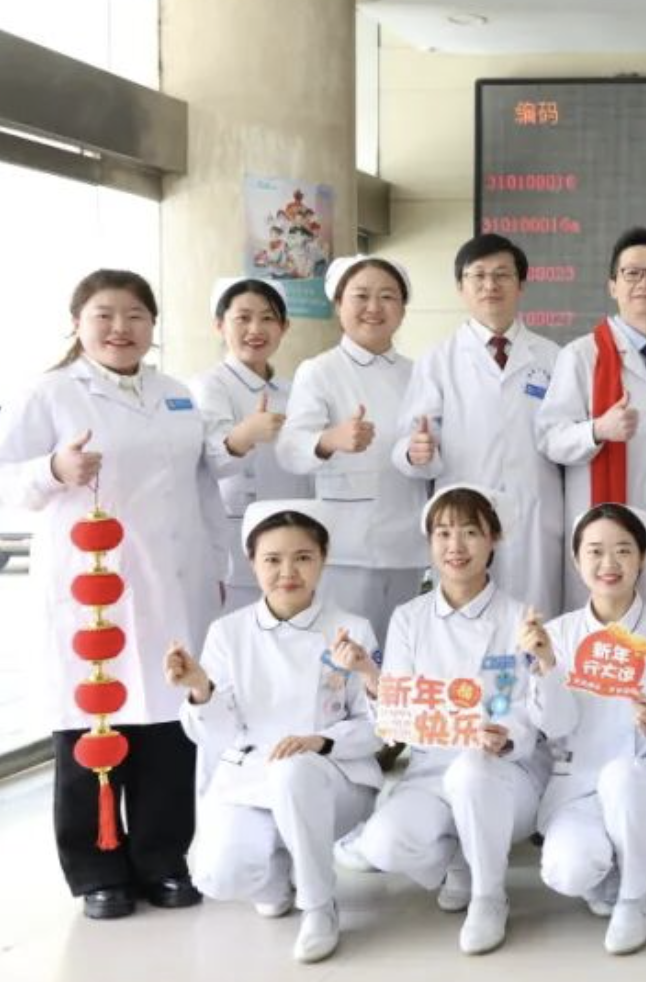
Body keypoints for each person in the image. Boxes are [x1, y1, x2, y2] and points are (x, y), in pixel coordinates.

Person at [0, 269, 223, 919]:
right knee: (91, 722)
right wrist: (53, 469)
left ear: (153, 326)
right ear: (77, 324)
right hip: (92, 595)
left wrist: (218, 563)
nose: (120, 328)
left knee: (169, 726)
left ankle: (164, 859)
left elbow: (202, 487)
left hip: (174, 586)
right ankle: (97, 870)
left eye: (135, 315)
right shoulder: (49, 394)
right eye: (104, 315)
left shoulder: (176, 395)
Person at [165, 502, 381, 963]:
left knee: (294, 771)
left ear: (323, 558)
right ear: (252, 562)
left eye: (303, 557)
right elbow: (215, 735)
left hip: (334, 779)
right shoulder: (228, 633)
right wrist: (201, 689)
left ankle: (319, 906)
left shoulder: (352, 630)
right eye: (273, 559)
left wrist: (320, 742)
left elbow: (377, 726)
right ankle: (277, 876)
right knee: (217, 876)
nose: (288, 572)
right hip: (250, 779)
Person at [340, 485, 547, 955]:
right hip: (430, 770)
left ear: (493, 538)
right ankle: (459, 861)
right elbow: (396, 713)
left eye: (470, 532)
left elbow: (529, 706)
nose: (456, 546)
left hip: (502, 771)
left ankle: (489, 897)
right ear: (430, 542)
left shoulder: (520, 617)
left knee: (472, 770)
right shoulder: (409, 618)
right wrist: (370, 676)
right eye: (444, 533)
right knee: (383, 844)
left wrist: (506, 735)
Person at [526, 503, 646, 954]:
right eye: (595, 551)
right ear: (576, 559)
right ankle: (613, 867)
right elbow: (553, 725)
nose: (609, 563)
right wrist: (546, 666)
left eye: (623, 550)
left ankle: (634, 897)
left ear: (643, 557)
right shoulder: (556, 635)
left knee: (623, 776)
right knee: (567, 871)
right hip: (577, 783)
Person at [394, 233, 565, 614]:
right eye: (479, 275)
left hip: (535, 516)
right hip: (464, 518)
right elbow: (408, 441)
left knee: (535, 621)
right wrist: (416, 452)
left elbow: (566, 438)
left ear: (521, 285)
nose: (491, 285)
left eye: (502, 274)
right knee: (466, 621)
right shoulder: (438, 360)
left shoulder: (553, 358)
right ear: (461, 287)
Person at [538, 227, 646, 615]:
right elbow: (550, 437)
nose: (645, 283)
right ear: (613, 285)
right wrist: (597, 430)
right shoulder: (581, 355)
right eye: (632, 273)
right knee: (605, 637)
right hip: (603, 530)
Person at [277, 255, 426, 644]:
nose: (374, 307)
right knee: (344, 653)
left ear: (403, 309)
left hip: (407, 541)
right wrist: (330, 439)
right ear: (338, 304)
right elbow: (289, 449)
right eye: (361, 295)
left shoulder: (418, 373)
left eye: (387, 296)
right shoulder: (320, 370)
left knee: (400, 653)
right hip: (346, 547)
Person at [194, 278, 311, 611]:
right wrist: (245, 434)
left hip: (294, 531)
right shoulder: (209, 386)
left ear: (284, 327)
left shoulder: (293, 389)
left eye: (268, 318)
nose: (255, 329)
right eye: (243, 318)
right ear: (220, 325)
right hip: (237, 536)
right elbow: (214, 461)